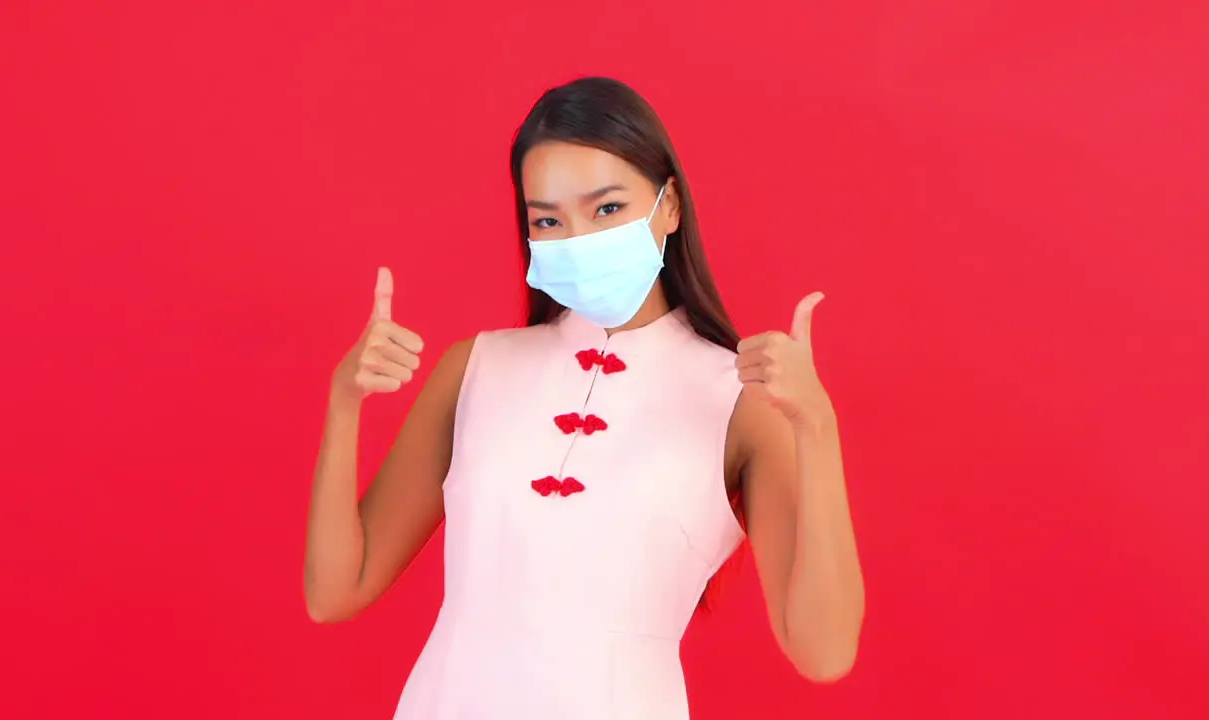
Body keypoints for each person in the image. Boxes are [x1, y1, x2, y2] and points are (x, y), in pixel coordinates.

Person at [303, 76, 865, 719]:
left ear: (670, 205)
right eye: (548, 219)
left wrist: (816, 428)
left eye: (606, 209)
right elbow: (334, 592)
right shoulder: (475, 368)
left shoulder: (739, 399)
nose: (577, 239)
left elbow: (824, 653)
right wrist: (344, 402)